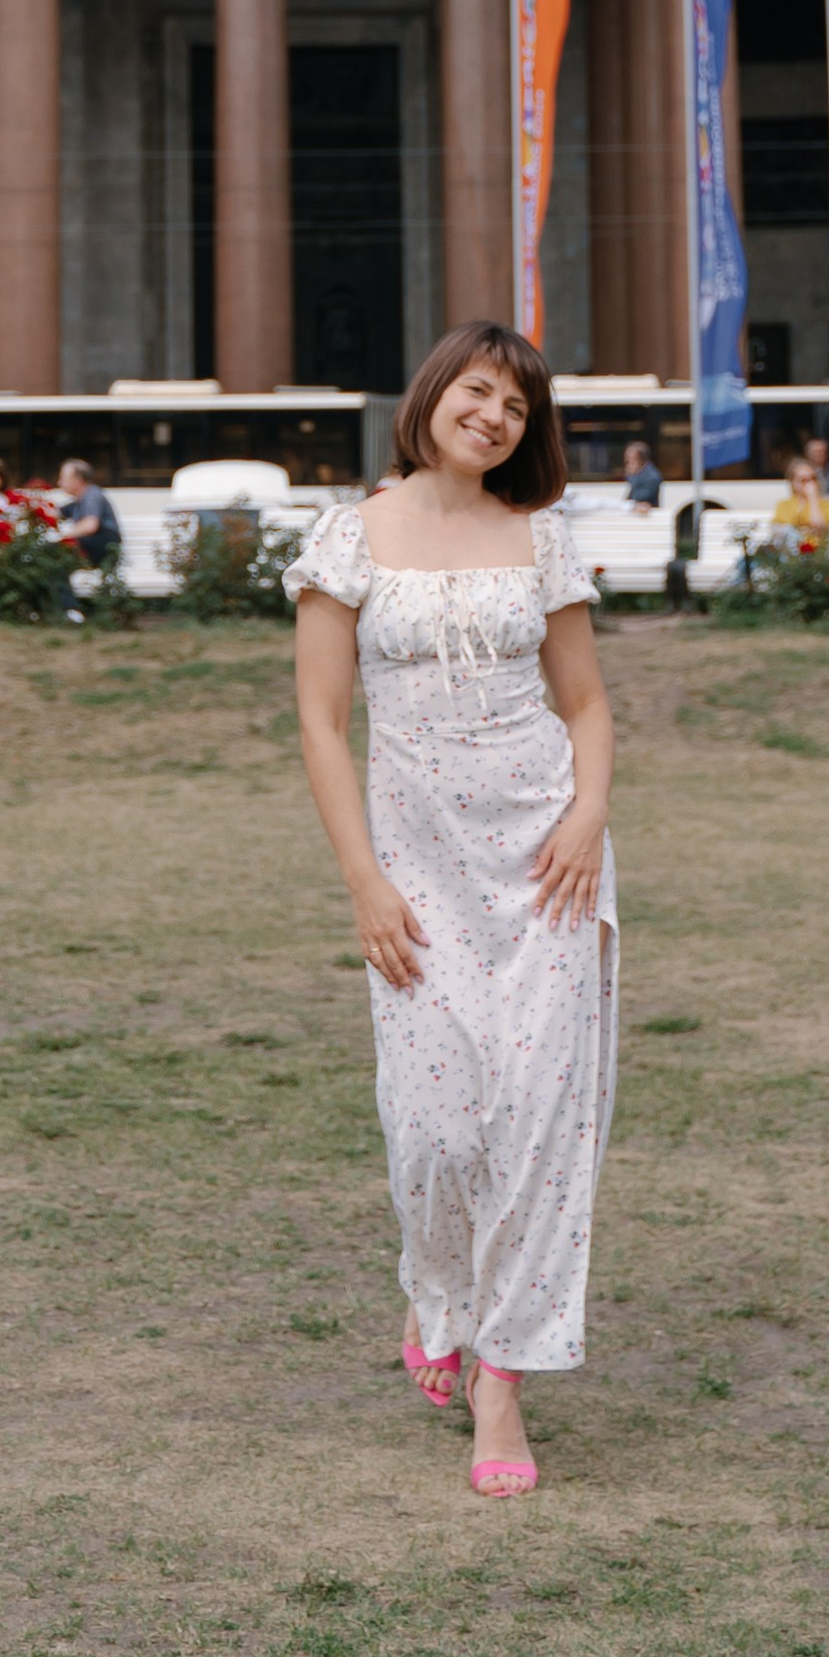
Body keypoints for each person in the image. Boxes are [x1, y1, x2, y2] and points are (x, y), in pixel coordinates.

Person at [288, 321, 617, 1503]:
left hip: (546, 871)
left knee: (536, 1125)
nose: (493, 417)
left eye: (518, 408)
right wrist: (366, 882)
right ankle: (436, 1298)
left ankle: (502, 1376)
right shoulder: (347, 535)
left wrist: (585, 818)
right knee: (433, 1132)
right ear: (432, 394)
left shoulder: (540, 538)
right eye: (478, 392)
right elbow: (324, 724)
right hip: (416, 876)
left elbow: (583, 704)